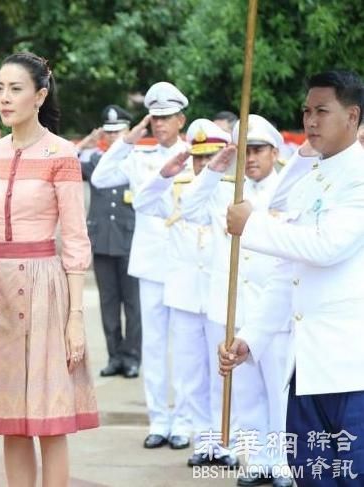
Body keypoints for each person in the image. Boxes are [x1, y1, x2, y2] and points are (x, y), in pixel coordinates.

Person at [220, 70, 364, 486]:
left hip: (352, 366)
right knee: (310, 473)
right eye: (306, 111)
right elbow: (288, 273)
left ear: (353, 116)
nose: (310, 121)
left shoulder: (359, 175)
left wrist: (253, 225)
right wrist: (253, 336)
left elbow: (327, 246)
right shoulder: (311, 177)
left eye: (322, 110)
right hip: (308, 366)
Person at [0, 52, 99, 487]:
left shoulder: (62, 154)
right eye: (0, 88)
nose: (4, 98)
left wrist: (75, 318)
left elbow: (76, 240)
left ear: (40, 95)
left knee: (49, 418)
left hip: (45, 289)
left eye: (15, 89)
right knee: (12, 418)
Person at [179, 116, 293, 485]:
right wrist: (213, 169)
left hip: (273, 311)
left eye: (258, 150)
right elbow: (189, 208)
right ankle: (258, 459)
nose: (252, 157)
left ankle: (282, 463)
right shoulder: (226, 189)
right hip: (232, 307)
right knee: (245, 393)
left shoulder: (290, 190)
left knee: (278, 391)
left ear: (275, 152)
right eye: (245, 150)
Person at [91, 81, 191, 450]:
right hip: (150, 263)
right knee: (153, 345)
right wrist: (129, 139)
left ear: (181, 119)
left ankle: (183, 421)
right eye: (155, 118)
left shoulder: (196, 155)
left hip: (184, 264)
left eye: (167, 117)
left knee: (183, 347)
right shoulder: (138, 156)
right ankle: (159, 421)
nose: (161, 124)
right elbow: (101, 178)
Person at [133, 119, 234, 459]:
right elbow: (142, 204)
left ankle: (227, 441)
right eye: (199, 158)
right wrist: (164, 174)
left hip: (220, 295)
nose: (204, 165)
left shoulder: (235, 191)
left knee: (222, 373)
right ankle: (204, 441)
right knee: (191, 374)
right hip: (186, 295)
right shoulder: (177, 188)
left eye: (212, 157)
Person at [77, 104, 142, 378]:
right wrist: (87, 142)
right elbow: (64, 162)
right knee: (108, 303)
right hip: (103, 240)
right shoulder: (95, 162)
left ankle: (132, 357)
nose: (114, 137)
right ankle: (114, 356)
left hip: (131, 241)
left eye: (119, 132)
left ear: (129, 132)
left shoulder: (139, 161)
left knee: (133, 304)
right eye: (110, 132)